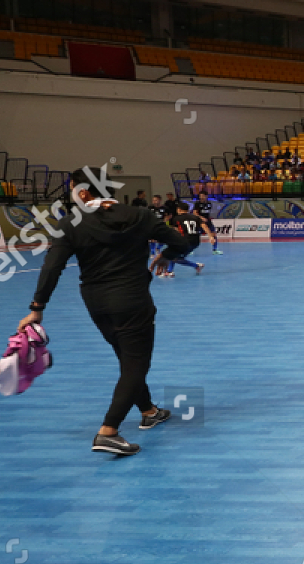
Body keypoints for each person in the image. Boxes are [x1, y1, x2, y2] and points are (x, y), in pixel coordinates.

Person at [18, 166, 192, 455]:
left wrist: (37, 307)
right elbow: (181, 242)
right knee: (136, 364)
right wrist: (166, 255)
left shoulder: (71, 224)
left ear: (84, 193)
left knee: (127, 358)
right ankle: (108, 431)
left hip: (97, 303)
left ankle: (149, 412)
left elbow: (52, 267)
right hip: (133, 300)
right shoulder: (141, 215)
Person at [151, 200, 207, 277]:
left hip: (185, 241)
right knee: (175, 255)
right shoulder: (194, 217)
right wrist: (211, 236)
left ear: (179, 210)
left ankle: (195, 266)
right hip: (195, 242)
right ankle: (170, 271)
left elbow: (176, 231)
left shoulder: (177, 218)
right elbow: (204, 226)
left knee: (175, 257)